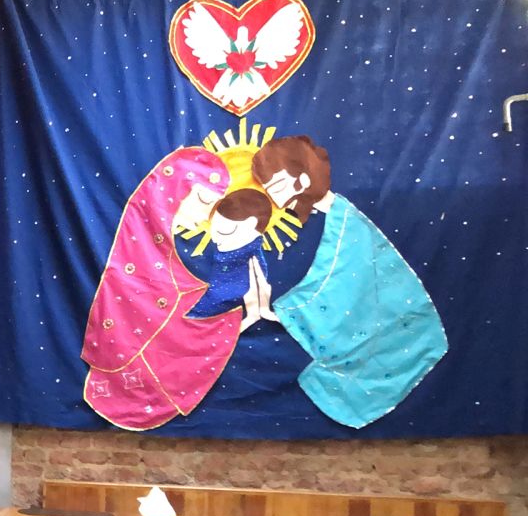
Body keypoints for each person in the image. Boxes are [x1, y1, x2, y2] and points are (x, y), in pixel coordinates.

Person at [251, 136, 447, 428]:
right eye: (270, 192)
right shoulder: (333, 219)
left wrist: (280, 310)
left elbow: (340, 280)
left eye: (278, 187)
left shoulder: (346, 223)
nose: (277, 200)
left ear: (303, 179)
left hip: (398, 330)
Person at [81, 147, 242, 431]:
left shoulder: (162, 251)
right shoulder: (137, 245)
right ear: (174, 190)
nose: (205, 217)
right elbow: (149, 290)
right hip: (125, 357)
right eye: (203, 201)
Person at [186, 188, 279, 332]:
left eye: (223, 232)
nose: (215, 239)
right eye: (213, 230)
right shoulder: (217, 256)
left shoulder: (251, 267)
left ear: (250, 224)